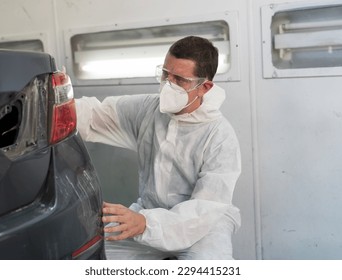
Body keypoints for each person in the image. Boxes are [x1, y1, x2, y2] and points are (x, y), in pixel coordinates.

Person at [75, 36, 241, 260]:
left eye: (180, 80)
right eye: (165, 74)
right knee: (95, 256)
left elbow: (206, 207)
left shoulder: (219, 136)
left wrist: (146, 224)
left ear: (205, 87)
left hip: (203, 228)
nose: (167, 85)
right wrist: (55, 102)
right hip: (148, 214)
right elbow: (96, 114)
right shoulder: (149, 109)